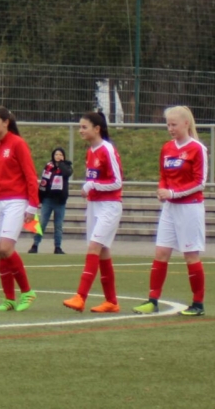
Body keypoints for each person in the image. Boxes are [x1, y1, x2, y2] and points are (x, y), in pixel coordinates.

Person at [133, 106, 207, 316]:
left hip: (190, 208)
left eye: (174, 124)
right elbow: (163, 175)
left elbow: (200, 182)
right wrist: (162, 190)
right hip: (170, 208)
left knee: (190, 255)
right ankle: (152, 300)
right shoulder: (167, 148)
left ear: (186, 123)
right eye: (168, 125)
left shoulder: (197, 148)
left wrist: (173, 193)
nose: (170, 128)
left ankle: (198, 304)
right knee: (161, 253)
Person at [63, 111, 123, 313]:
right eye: (80, 127)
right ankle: (111, 301)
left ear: (97, 129)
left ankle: (80, 297)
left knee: (94, 247)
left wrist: (92, 185)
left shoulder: (107, 149)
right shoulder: (90, 151)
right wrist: (89, 188)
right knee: (103, 251)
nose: (80, 130)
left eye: (84, 127)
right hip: (94, 205)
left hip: (109, 206)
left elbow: (117, 182)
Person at [0, 106, 39, 312]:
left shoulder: (17, 144)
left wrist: (32, 205)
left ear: (6, 122)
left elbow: (30, 175)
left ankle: (27, 292)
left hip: (16, 201)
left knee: (6, 248)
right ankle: (9, 299)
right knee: (1, 252)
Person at [29, 148, 72, 254]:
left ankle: (58, 247)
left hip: (60, 201)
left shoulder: (67, 166)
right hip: (48, 199)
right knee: (42, 223)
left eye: (60, 154)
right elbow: (43, 182)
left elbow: (67, 174)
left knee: (58, 225)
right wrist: (40, 197)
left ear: (63, 156)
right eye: (56, 154)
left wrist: (61, 164)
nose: (58, 156)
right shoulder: (48, 166)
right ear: (53, 155)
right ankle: (35, 245)